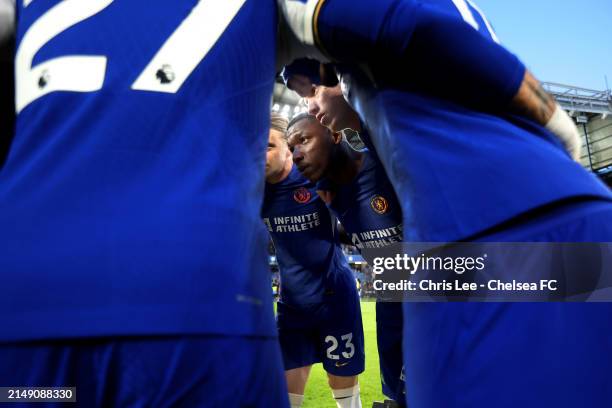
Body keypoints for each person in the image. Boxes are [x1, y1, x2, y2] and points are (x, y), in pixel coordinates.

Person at [281, 1, 612, 407]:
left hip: (489, 238)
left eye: (313, 89)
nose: (310, 104)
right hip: (560, 222)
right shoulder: (409, 86)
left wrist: (555, 122)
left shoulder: (373, 38)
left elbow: (409, 22)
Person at [287, 112, 406, 407]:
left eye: (304, 140)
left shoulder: (383, 159)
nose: (297, 154)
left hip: (445, 283)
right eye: (291, 148)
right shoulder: (327, 192)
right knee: (396, 395)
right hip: (392, 293)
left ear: (335, 134)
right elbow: (359, 230)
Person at [263, 112, 365, 408]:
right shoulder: (253, 192)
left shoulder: (315, 177)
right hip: (292, 306)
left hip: (335, 301)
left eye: (269, 146)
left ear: (289, 147)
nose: (260, 155)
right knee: (286, 397)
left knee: (345, 395)